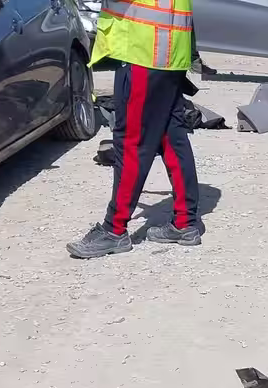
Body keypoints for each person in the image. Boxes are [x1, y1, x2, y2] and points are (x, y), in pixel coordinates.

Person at [67, 0, 202, 258]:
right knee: (170, 136)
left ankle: (114, 229)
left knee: (132, 141)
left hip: (144, 50)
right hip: (170, 49)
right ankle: (185, 222)